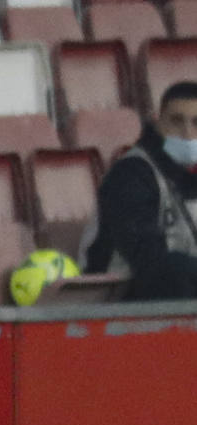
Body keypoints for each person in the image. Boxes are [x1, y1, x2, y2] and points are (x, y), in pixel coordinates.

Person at [84, 80, 197, 300]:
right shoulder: (131, 174)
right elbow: (148, 258)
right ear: (158, 123)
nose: (187, 133)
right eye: (176, 121)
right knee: (174, 271)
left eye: (196, 123)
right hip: (121, 302)